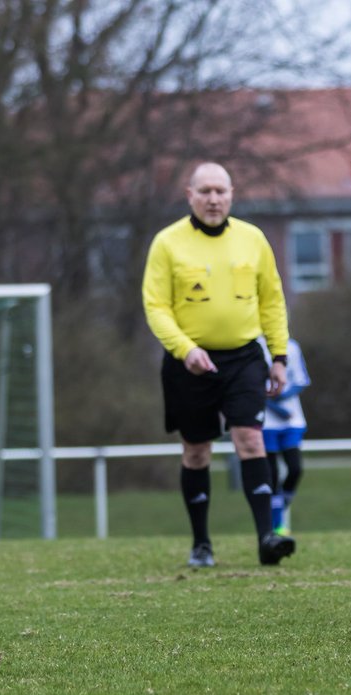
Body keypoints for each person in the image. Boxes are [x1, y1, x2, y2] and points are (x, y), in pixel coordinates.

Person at [142, 161, 297, 568]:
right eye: (205, 191)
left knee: (251, 439)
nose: (214, 199)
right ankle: (201, 544)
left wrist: (278, 357)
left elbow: (272, 301)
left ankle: (267, 538)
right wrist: (184, 349)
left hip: (245, 357)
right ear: (189, 195)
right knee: (196, 451)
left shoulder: (253, 239)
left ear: (231, 194)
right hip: (189, 362)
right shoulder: (167, 243)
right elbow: (155, 306)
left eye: (221, 191)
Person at [260, 336, 310, 536]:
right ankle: (276, 525)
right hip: (266, 422)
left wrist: (283, 396)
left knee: (295, 469)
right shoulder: (254, 346)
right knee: (271, 475)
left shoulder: (292, 347)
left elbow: (301, 380)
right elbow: (251, 385)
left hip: (292, 421)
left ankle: (281, 503)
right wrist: (272, 405)